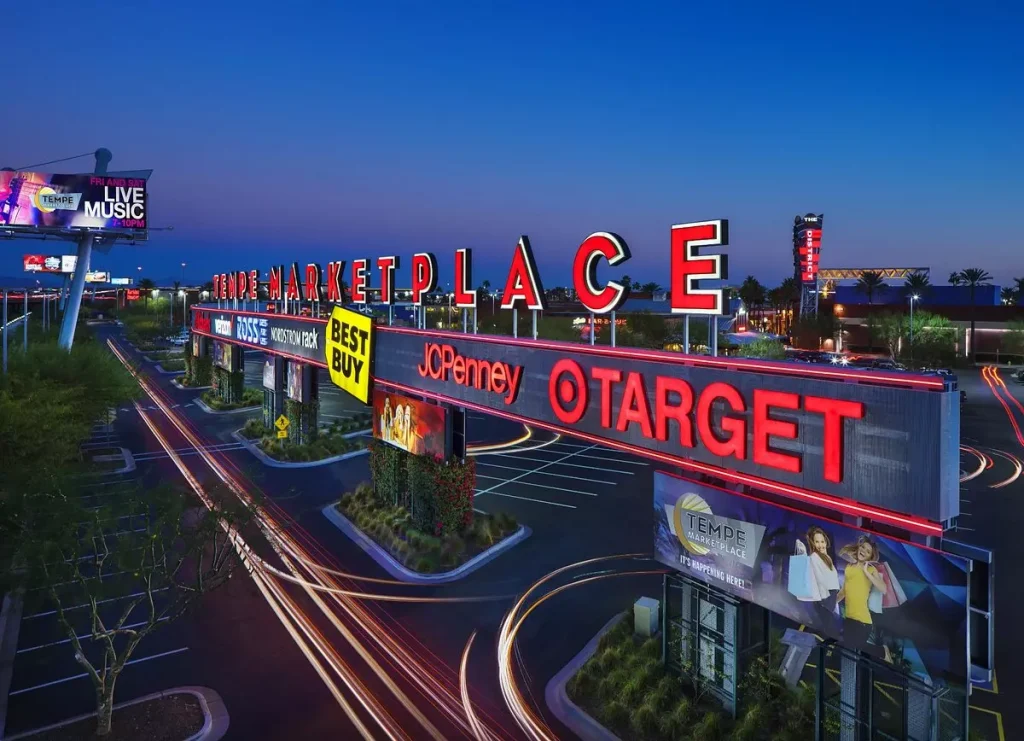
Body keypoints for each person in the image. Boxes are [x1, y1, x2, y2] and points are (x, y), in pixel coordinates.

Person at [837, 535, 890, 662]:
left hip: (863, 622)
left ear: (870, 557)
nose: (863, 551)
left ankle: (882, 651)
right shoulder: (849, 567)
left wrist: (867, 573)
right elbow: (844, 591)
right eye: (863, 548)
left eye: (868, 551)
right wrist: (831, 603)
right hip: (849, 618)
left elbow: (883, 589)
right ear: (858, 547)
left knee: (856, 645)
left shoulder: (871, 570)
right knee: (847, 647)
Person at [798, 526, 840, 629]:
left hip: (830, 603)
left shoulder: (827, 558)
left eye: (822, 541)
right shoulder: (814, 558)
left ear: (826, 542)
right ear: (813, 543)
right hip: (824, 603)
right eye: (817, 542)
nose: (820, 545)